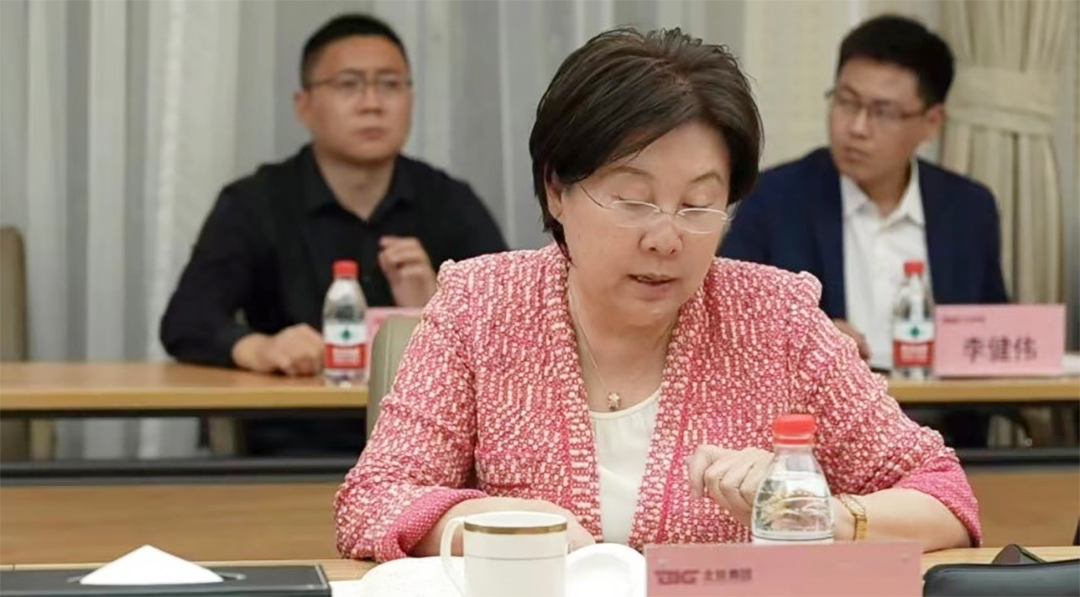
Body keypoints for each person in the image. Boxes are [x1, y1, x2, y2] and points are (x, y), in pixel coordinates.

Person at [334, 27, 979, 562]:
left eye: (698, 205)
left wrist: (815, 511)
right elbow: (374, 498)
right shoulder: (481, 304)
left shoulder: (775, 317)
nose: (667, 239)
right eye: (634, 200)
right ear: (557, 190)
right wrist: (492, 523)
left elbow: (944, 497)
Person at [160, 14, 507, 456]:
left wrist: (436, 310)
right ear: (304, 105)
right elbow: (187, 320)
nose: (372, 103)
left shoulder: (449, 202)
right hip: (288, 452)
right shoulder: (256, 202)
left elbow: (512, 335)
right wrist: (260, 347)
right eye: (348, 85)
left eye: (390, 84)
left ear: (411, 99)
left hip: (427, 456)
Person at [721, 15, 1007, 372]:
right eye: (847, 102)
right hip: (821, 404)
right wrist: (808, 340)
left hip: (940, 406)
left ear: (931, 122)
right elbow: (727, 320)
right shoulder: (774, 199)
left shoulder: (969, 209)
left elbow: (996, 334)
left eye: (882, 112)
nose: (856, 128)